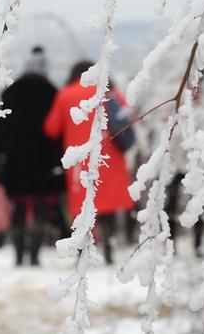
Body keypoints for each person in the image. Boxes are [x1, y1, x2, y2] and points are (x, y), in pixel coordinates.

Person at [43, 60, 135, 264]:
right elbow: (126, 115)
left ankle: (82, 252)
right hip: (109, 158)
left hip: (80, 160)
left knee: (84, 206)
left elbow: (51, 128)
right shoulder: (108, 91)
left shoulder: (65, 94)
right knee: (108, 205)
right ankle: (109, 248)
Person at [0, 46, 65, 266]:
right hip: (45, 161)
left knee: (19, 207)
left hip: (16, 160)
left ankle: (18, 254)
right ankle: (34, 255)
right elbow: (58, 131)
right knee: (41, 206)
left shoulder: (10, 93)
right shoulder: (53, 93)